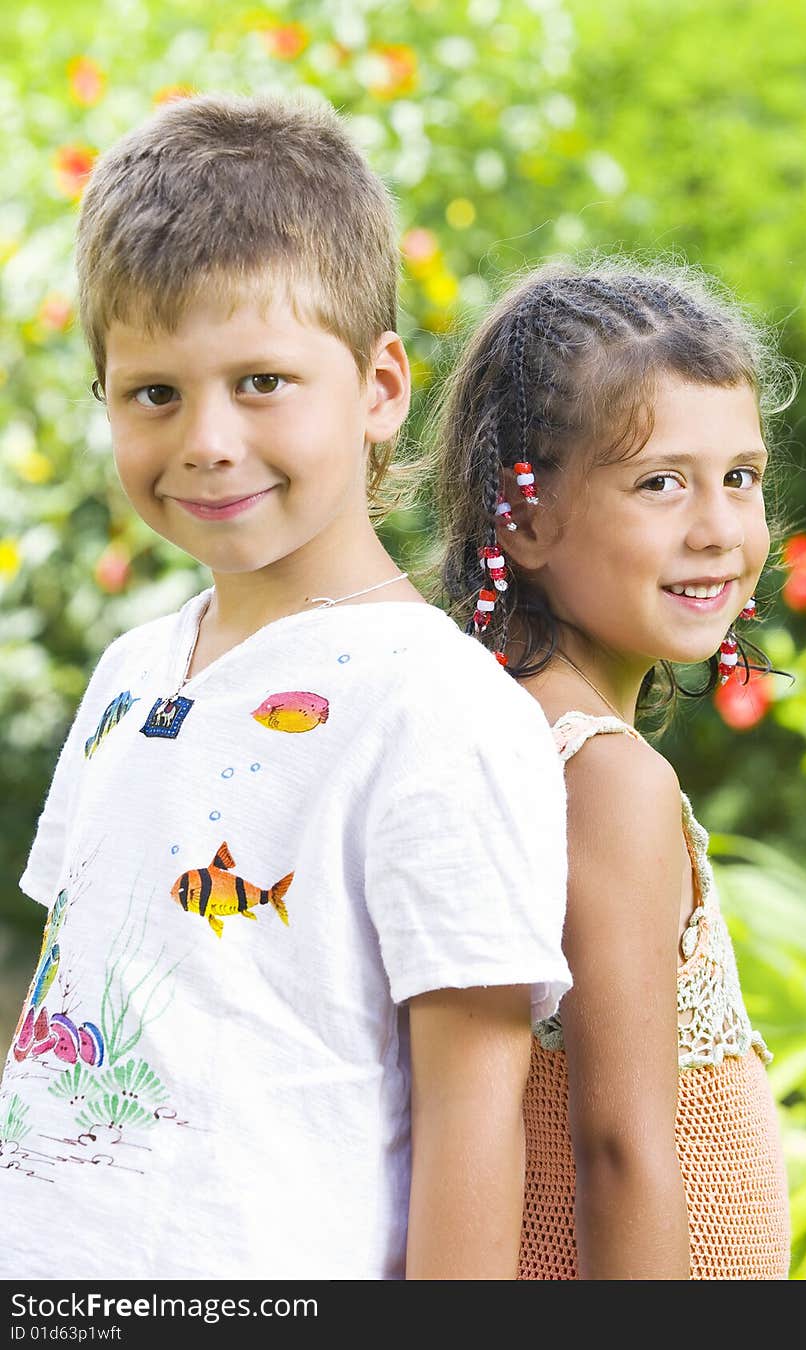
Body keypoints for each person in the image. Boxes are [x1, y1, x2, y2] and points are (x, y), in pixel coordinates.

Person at [0, 94, 572, 1281]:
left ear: (377, 387)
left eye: (261, 381)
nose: (206, 438)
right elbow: (70, 1009)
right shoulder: (131, 671)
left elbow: (475, 1114)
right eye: (153, 392)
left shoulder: (440, 712)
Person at [433, 260, 792, 1279]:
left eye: (741, 477)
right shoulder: (605, 779)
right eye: (660, 483)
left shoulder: (485, 723)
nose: (718, 527)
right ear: (525, 517)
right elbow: (621, 1151)